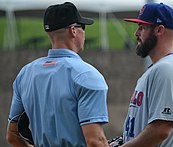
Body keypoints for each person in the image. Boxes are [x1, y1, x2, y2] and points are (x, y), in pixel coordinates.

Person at [6, 2, 109, 147]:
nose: (84, 33)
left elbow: (12, 135)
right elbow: (95, 141)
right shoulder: (87, 75)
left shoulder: (26, 73)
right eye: (83, 27)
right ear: (73, 30)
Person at [121, 3, 173, 147]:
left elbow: (160, 130)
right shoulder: (162, 67)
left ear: (159, 30)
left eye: (142, 28)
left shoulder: (167, 69)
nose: (136, 33)